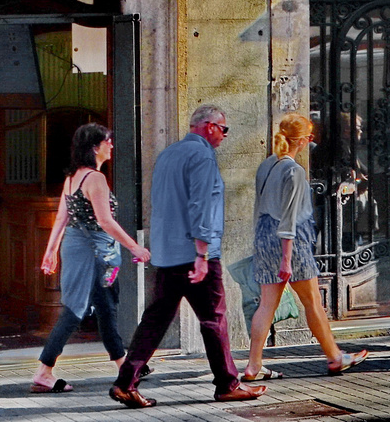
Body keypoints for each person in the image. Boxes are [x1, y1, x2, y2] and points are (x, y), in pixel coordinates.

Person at [109, 105, 266, 409]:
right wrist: (203, 253)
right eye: (224, 128)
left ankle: (125, 382)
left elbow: (162, 203)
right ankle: (227, 385)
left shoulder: (168, 154)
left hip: (167, 255)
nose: (224, 135)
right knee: (214, 319)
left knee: (154, 320)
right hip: (194, 254)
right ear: (208, 126)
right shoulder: (203, 156)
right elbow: (201, 206)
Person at [243, 113, 369, 380]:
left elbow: (258, 207)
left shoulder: (266, 165)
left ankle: (253, 365)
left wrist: (262, 244)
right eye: (310, 137)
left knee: (266, 305)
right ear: (303, 140)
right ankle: (335, 357)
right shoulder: (294, 171)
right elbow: (289, 217)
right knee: (312, 302)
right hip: (291, 240)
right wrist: (286, 258)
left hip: (264, 235)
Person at [33, 122, 151, 394]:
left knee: (106, 304)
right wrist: (135, 247)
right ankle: (44, 370)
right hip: (94, 252)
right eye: (108, 141)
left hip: (78, 247)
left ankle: (124, 365)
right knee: (75, 310)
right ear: (95, 147)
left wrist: (50, 251)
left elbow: (62, 218)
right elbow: (106, 221)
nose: (112, 145)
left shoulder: (73, 178)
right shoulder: (96, 179)